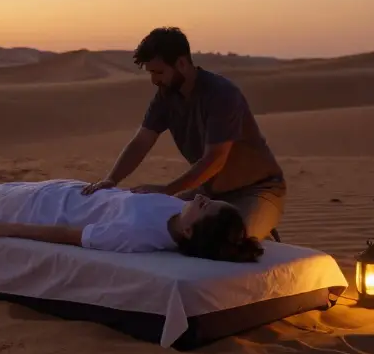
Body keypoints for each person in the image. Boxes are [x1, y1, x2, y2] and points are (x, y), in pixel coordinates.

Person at [82, 27, 286, 241]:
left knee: (225, 240)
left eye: (159, 72)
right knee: (158, 224)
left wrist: (168, 190)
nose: (154, 80)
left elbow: (215, 159)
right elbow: (142, 141)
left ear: (181, 63)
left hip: (256, 190)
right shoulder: (165, 97)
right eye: (151, 73)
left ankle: (264, 234)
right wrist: (111, 179)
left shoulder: (221, 94)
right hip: (208, 194)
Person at [0, 167, 264, 262]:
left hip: (43, 210)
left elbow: (67, 237)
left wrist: (11, 228)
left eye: (205, 205)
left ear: (190, 233)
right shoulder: (177, 210)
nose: (200, 197)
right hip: (67, 191)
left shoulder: (133, 235)